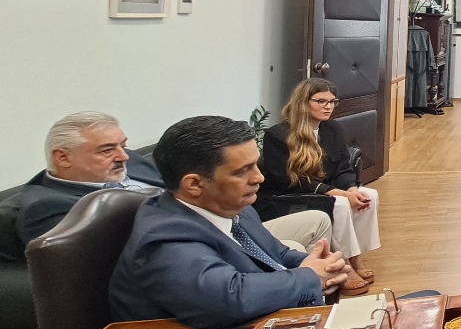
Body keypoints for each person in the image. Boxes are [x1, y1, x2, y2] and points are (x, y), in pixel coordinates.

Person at [108, 116, 350, 329]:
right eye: (242, 171)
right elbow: (229, 298)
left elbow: (278, 255)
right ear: (194, 184)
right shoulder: (165, 237)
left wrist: (325, 268)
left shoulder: (234, 207)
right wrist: (309, 277)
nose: (259, 177)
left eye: (256, 164)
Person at [16, 112, 331, 256]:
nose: (123, 156)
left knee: (317, 223)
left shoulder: (131, 162)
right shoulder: (46, 207)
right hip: (194, 245)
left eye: (123, 145)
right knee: (292, 254)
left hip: (226, 221)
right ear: (63, 157)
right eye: (107, 150)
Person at [258, 78, 380, 296]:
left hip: (326, 189)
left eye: (332, 102)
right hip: (288, 196)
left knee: (369, 195)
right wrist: (336, 193)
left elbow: (342, 167)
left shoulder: (333, 129)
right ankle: (345, 263)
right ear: (303, 102)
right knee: (339, 203)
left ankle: (356, 254)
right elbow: (285, 179)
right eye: (321, 101)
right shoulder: (277, 135)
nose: (328, 107)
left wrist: (351, 189)